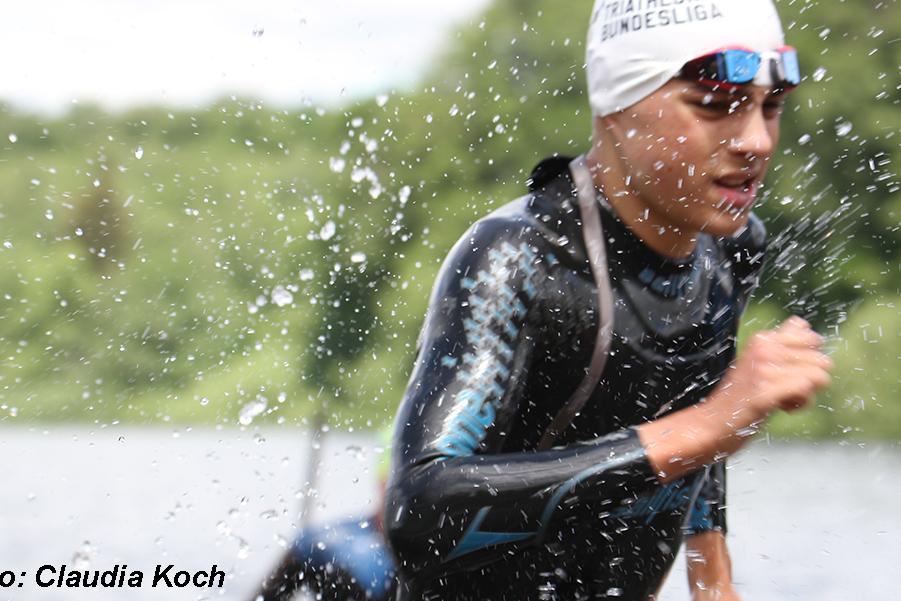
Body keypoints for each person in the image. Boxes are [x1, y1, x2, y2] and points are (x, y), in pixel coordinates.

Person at [384, 1, 833, 600]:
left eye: (770, 106)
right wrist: (707, 426)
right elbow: (418, 516)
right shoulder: (523, 259)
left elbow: (696, 399)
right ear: (618, 107)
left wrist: (713, 580)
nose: (756, 140)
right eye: (716, 104)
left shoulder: (730, 250)